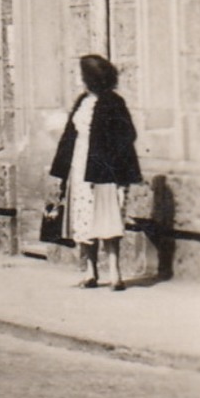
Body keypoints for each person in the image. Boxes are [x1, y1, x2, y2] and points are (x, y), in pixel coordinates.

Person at [49, 54, 141, 291]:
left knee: (107, 220)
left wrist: (115, 167)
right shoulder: (83, 101)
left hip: (103, 171)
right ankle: (91, 271)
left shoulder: (113, 102)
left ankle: (115, 274)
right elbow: (70, 136)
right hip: (79, 168)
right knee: (84, 218)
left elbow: (127, 135)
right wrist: (61, 171)